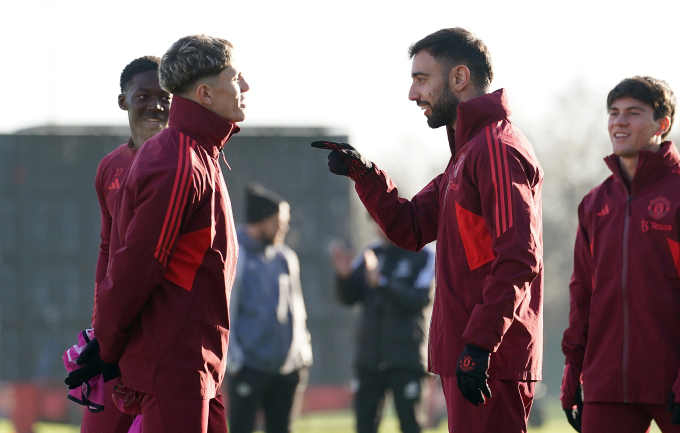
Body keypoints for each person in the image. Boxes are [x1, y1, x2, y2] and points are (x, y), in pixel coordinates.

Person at [312, 27, 543, 433]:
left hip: (488, 359)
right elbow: (410, 229)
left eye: (421, 79)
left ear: (458, 78)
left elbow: (520, 257)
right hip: (472, 353)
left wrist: (479, 345)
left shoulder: (495, 149)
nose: (412, 94)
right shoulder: (467, 154)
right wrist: (364, 175)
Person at [66, 34, 249, 433]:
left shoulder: (201, 153)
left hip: (196, 363)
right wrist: (107, 343)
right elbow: (136, 264)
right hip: (174, 363)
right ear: (204, 92)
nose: (246, 87)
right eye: (236, 78)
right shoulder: (179, 158)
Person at [561, 76, 680, 433]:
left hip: (671, 374)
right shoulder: (594, 204)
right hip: (606, 382)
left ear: (663, 124)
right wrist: (573, 370)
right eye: (613, 113)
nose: (619, 122)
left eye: (633, 113)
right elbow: (582, 294)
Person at [65, 55, 171, 433]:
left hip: (170, 332)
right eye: (143, 95)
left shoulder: (188, 162)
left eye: (165, 96)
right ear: (123, 100)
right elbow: (108, 250)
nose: (156, 105)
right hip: (118, 334)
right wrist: (101, 326)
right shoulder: (110, 167)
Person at [331, 223, 435, 433]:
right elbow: (349, 298)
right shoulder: (371, 253)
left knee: (411, 425)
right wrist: (343, 278)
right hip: (369, 361)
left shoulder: (423, 255)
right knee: (364, 426)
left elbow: (420, 299)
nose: (379, 228)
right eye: (376, 223)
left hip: (407, 360)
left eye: (384, 221)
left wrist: (382, 284)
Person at [226, 183, 313, 433]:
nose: (284, 227)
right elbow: (228, 310)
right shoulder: (236, 254)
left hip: (286, 371)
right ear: (262, 220)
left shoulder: (286, 257)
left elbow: (298, 310)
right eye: (279, 221)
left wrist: (303, 353)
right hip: (248, 368)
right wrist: (235, 361)